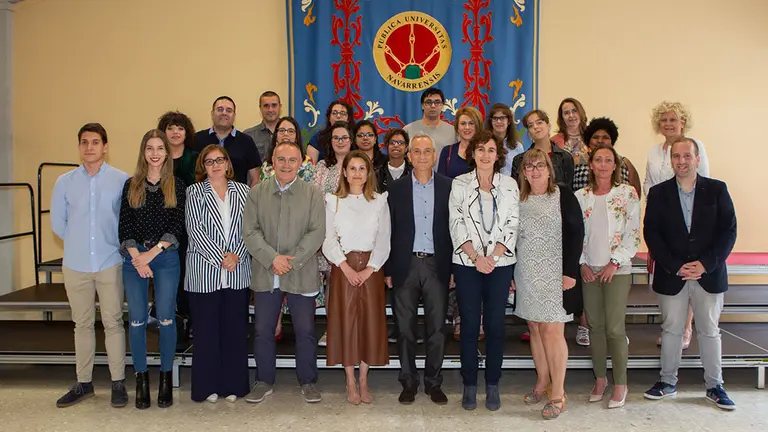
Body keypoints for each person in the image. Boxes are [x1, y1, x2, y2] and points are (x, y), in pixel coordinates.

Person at [643, 137, 737, 411]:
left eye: (687, 156)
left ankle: (715, 386)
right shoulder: (659, 193)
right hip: (673, 274)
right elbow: (652, 234)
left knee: (709, 330)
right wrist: (674, 265)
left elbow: (728, 231)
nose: (681, 161)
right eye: (676, 156)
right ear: (670, 160)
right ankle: (667, 382)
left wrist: (706, 264)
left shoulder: (717, 190)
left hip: (709, 274)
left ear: (697, 159)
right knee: (671, 330)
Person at [50, 123, 129, 408]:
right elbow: (58, 224)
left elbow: (126, 220)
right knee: (81, 324)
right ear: (79, 146)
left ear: (105, 146)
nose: (90, 147)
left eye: (95, 142)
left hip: (110, 262)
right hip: (76, 263)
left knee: (113, 322)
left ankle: (118, 382)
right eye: (84, 142)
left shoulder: (122, 180)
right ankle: (84, 383)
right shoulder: (64, 182)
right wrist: (79, 243)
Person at [243, 140, 326, 404]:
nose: (287, 165)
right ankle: (264, 380)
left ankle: (308, 381)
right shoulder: (257, 193)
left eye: (292, 160)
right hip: (267, 273)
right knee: (263, 330)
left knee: (305, 331)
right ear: (272, 162)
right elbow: (250, 232)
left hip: (301, 272)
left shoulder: (312, 193)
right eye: (281, 159)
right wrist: (272, 259)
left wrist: (292, 261)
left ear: (301, 162)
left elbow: (317, 232)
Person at [449, 130, 519, 411]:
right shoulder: (459, 184)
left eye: (491, 150)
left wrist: (493, 256)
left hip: (500, 265)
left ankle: (492, 384)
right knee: (468, 324)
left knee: (494, 325)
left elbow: (513, 223)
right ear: (472, 153)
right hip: (467, 263)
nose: (485, 155)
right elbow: (456, 223)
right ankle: (469, 384)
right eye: (480, 149)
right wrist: (477, 257)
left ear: (497, 154)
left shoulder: (510, 185)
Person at [513, 149, 583, 420]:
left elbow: (577, 233)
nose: (534, 171)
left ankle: (558, 393)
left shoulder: (563, 194)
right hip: (527, 272)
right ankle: (542, 382)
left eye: (539, 165)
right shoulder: (519, 199)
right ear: (523, 173)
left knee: (553, 330)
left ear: (549, 169)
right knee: (535, 327)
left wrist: (569, 272)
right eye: (529, 167)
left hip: (557, 275)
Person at [118, 129, 185, 409]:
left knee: (167, 317)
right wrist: (138, 257)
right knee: (136, 320)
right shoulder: (130, 185)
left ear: (166, 153)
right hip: (135, 259)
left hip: (165, 256)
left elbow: (176, 225)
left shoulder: (177, 185)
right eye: (150, 148)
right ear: (143, 152)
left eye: (160, 148)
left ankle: (166, 378)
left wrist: (151, 254)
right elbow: (125, 225)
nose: (155, 153)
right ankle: (142, 379)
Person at [386, 134, 452, 405]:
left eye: (427, 151)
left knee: (437, 329)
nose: (422, 156)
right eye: (417, 151)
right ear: (409, 156)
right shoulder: (396, 189)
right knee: (405, 329)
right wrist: (388, 269)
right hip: (405, 264)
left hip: (438, 265)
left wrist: (453, 270)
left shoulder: (449, 188)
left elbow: (454, 231)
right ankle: (408, 382)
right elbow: (389, 232)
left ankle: (434, 383)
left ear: (434, 156)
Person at [575, 143, 640, 409]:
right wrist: (582, 263)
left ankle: (621, 383)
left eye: (608, 160)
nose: (602, 164)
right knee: (595, 328)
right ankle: (600, 379)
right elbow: (576, 235)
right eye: (598, 160)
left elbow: (633, 234)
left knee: (614, 328)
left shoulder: (627, 194)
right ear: (591, 164)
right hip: (590, 269)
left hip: (617, 270)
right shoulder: (581, 196)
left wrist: (614, 263)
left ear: (615, 165)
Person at [323, 150, 391, 405]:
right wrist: (346, 267)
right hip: (344, 269)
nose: (357, 173)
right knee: (346, 324)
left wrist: (369, 269)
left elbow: (384, 240)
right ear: (344, 171)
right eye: (353, 168)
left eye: (362, 168)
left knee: (369, 325)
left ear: (368, 172)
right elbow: (328, 239)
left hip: (371, 271)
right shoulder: (333, 202)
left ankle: (364, 379)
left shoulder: (379, 201)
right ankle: (349, 379)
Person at [185, 145, 252, 403]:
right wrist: (221, 258)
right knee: (206, 333)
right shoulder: (194, 192)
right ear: (203, 165)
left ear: (227, 163)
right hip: (204, 272)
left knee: (234, 331)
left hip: (237, 270)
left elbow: (251, 228)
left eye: (219, 160)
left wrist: (236, 255)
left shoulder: (244, 192)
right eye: (209, 161)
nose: (215, 165)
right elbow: (195, 230)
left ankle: (233, 385)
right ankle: (207, 387)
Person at [157, 111, 197, 346]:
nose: (175, 132)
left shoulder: (195, 157)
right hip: (161, 228)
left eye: (180, 128)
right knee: (166, 277)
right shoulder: (156, 157)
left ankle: (188, 323)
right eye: (171, 127)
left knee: (186, 276)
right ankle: (167, 323)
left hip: (189, 227)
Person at [313, 121, 353, 346]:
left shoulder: (358, 164)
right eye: (336, 138)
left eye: (344, 137)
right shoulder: (321, 167)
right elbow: (315, 198)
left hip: (352, 236)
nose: (340, 141)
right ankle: (332, 329)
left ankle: (351, 330)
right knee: (331, 283)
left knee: (348, 283)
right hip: (327, 232)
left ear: (351, 140)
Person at [193, 95, 262, 187]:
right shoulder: (197, 139)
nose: (224, 113)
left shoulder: (246, 141)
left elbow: (255, 178)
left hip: (238, 198)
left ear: (234, 115)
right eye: (220, 109)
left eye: (229, 110)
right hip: (203, 198)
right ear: (212, 113)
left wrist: (246, 199)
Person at [572, 117, 641, 197]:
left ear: (612, 141)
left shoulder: (624, 163)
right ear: (588, 140)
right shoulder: (576, 161)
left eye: (605, 137)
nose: (600, 141)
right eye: (595, 137)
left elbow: (636, 194)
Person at [510, 110, 574, 190]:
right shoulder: (519, 160)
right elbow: (516, 192)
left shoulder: (565, 157)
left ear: (549, 126)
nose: (535, 127)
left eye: (539, 122)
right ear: (529, 133)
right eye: (530, 125)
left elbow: (569, 190)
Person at [403, 87, 457, 157]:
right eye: (428, 102)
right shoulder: (408, 130)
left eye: (437, 102)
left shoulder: (453, 131)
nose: (433, 106)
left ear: (442, 106)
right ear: (422, 105)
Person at [437, 106, 482, 180]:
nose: (467, 127)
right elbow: (441, 182)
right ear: (457, 127)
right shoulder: (447, 151)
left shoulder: (485, 152)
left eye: (471, 123)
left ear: (478, 126)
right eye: (463, 123)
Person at [307, 100, 356, 164]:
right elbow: (308, 168)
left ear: (348, 119)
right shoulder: (318, 138)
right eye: (334, 113)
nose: (338, 116)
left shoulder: (356, 136)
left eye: (343, 113)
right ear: (329, 117)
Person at [485, 103, 524, 176]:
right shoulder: (483, 143)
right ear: (491, 121)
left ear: (509, 121)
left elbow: (521, 173)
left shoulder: (518, 147)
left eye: (502, 118)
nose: (499, 121)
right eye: (495, 118)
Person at [243, 91, 282, 160]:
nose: (270, 110)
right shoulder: (248, 135)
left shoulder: (291, 133)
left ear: (280, 107)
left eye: (274, 105)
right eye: (266, 106)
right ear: (260, 108)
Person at [552, 98, 588, 165]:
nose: (571, 115)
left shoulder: (592, 137)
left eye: (574, 111)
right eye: (566, 113)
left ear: (581, 112)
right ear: (562, 117)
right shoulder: (553, 142)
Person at [376, 128, 412, 193]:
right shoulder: (377, 174)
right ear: (387, 146)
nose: (396, 145)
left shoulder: (414, 172)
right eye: (392, 143)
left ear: (406, 148)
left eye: (400, 143)